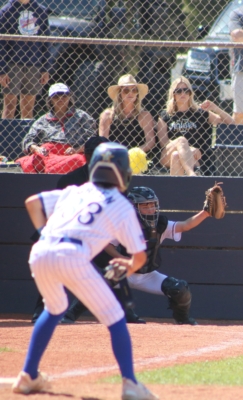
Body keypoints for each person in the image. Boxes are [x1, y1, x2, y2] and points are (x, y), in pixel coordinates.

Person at [12, 142, 158, 399]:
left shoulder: (75, 191)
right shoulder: (122, 204)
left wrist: (45, 232)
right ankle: (131, 385)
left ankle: (28, 375)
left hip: (40, 252)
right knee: (115, 317)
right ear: (123, 173)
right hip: (73, 255)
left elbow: (32, 202)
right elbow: (140, 256)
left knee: (54, 308)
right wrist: (127, 265)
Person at [113, 186, 216, 325]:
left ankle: (183, 319)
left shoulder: (160, 224)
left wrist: (206, 213)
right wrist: (121, 259)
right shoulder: (122, 225)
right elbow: (106, 245)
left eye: (152, 205)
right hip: (124, 272)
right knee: (101, 281)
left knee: (179, 288)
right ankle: (73, 314)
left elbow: (185, 225)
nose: (150, 209)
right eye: (144, 206)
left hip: (147, 275)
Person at [157, 77, 234, 176]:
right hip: (167, 155)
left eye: (186, 90)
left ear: (190, 93)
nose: (183, 93)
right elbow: (164, 143)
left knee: (177, 156)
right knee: (181, 140)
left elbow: (231, 124)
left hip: (195, 157)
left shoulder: (199, 113)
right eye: (179, 91)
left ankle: (177, 190)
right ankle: (192, 175)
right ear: (173, 94)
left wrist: (215, 108)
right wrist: (187, 148)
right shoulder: (165, 115)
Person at [16, 83, 95, 174]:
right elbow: (28, 140)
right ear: (50, 100)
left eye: (64, 96)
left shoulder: (81, 116)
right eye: (56, 97)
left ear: (70, 97)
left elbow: (92, 140)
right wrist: (37, 149)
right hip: (49, 154)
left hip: (73, 153)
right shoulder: (42, 120)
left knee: (79, 160)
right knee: (35, 160)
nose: (60, 99)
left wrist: (76, 149)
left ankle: (54, 169)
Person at [0, 0, 50, 119]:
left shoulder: (40, 10)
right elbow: (1, 44)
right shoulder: (6, 11)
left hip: (34, 64)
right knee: (10, 106)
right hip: (12, 64)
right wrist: (2, 70)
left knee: (28, 107)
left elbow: (46, 41)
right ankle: (6, 136)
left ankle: (27, 135)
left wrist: (45, 68)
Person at [99, 74, 156, 155]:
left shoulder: (144, 115)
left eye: (134, 90)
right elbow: (102, 142)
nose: (131, 93)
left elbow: (150, 142)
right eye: (126, 90)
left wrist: (132, 153)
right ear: (119, 93)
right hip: (113, 156)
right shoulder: (107, 115)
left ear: (137, 94)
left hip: (136, 157)